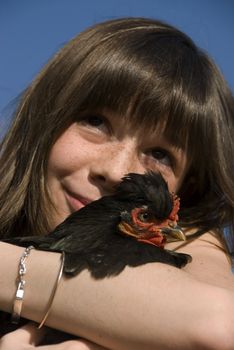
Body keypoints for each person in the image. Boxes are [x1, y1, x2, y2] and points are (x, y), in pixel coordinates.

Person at [0, 16, 234, 350]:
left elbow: (218, 322)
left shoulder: (179, 250)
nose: (115, 170)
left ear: (187, 188)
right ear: (45, 119)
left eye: (160, 154)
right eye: (95, 122)